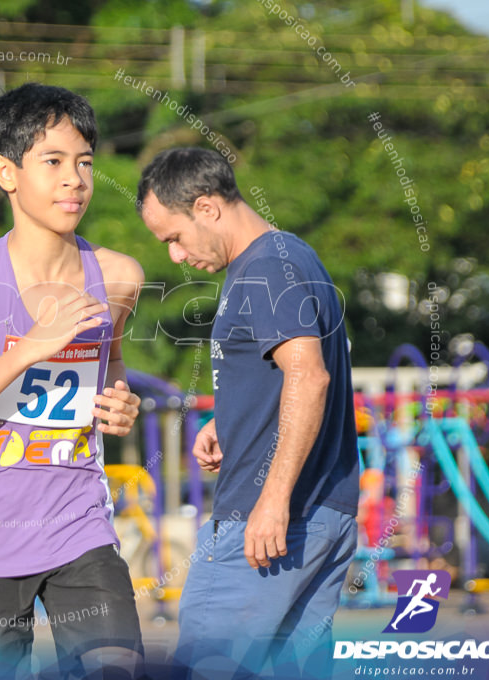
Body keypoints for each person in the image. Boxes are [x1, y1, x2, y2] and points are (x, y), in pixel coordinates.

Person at [0, 83, 145, 680]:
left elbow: (109, 367)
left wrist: (120, 406)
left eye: (85, 162)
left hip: (80, 530)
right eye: (54, 161)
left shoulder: (118, 276)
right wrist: (28, 349)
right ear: (6, 172)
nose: (76, 179)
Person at [136, 148, 359, 679]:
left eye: (174, 237)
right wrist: (232, 416)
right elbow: (291, 374)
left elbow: (310, 376)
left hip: (271, 522)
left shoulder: (264, 269)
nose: (175, 256)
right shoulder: (293, 257)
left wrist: (273, 500)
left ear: (207, 208)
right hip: (328, 510)